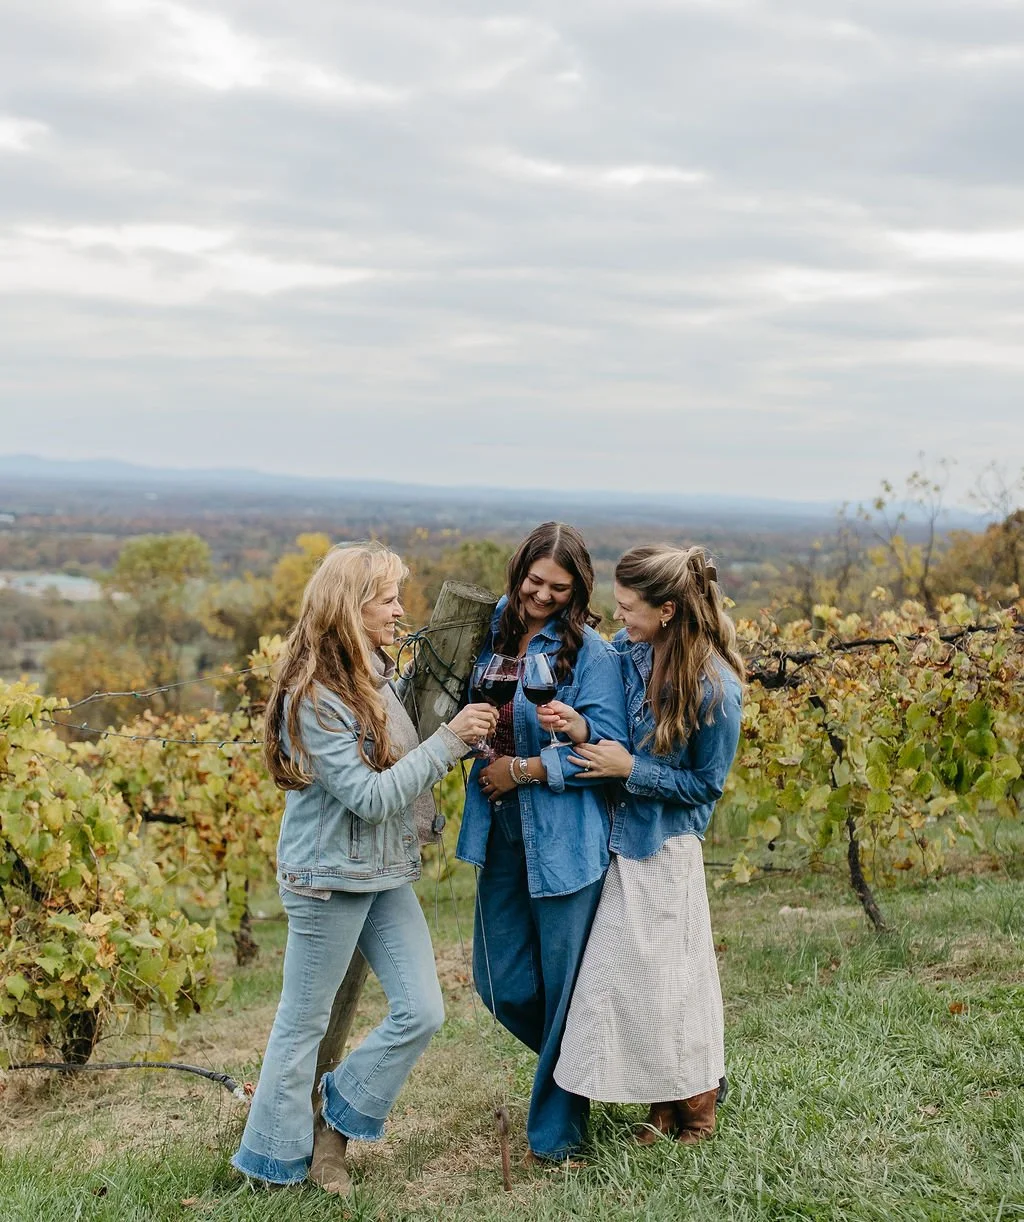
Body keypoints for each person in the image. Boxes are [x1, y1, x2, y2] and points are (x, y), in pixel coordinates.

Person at [232, 542, 497, 1194]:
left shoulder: (370, 671)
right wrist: (449, 740)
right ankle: (272, 1167)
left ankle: (336, 1110)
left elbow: (394, 748)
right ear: (351, 608)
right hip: (328, 877)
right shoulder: (316, 696)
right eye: (387, 598)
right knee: (302, 1024)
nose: (400, 610)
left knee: (423, 1011)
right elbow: (371, 795)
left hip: (380, 871)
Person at [543, 544, 744, 1144]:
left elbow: (705, 788)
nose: (620, 615)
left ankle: (697, 1110)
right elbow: (612, 733)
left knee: (674, 986)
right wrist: (581, 729)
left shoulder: (716, 690)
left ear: (670, 610)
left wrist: (630, 768)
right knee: (630, 985)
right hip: (619, 844)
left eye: (631, 606)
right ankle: (662, 1106)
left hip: (667, 851)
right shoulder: (632, 655)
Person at [456, 522, 628, 1163]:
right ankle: (604, 1070)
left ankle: (558, 1137)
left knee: (563, 990)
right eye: (535, 582)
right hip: (497, 829)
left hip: (563, 836)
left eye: (560, 588)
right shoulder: (492, 628)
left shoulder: (593, 653)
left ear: (577, 589)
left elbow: (611, 750)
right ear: (518, 572)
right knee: (499, 982)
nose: (544, 597)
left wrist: (528, 769)